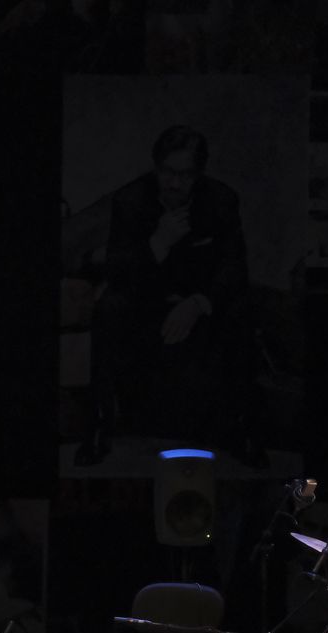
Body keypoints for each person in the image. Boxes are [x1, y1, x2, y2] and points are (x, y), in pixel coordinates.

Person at [80, 124, 252, 465]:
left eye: (185, 175)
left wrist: (198, 303)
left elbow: (234, 268)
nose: (174, 183)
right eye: (168, 172)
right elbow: (117, 270)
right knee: (109, 307)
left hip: (196, 303)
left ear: (198, 174)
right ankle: (99, 427)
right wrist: (158, 243)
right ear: (156, 167)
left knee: (241, 310)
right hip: (146, 302)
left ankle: (243, 430)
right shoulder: (131, 200)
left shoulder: (220, 201)